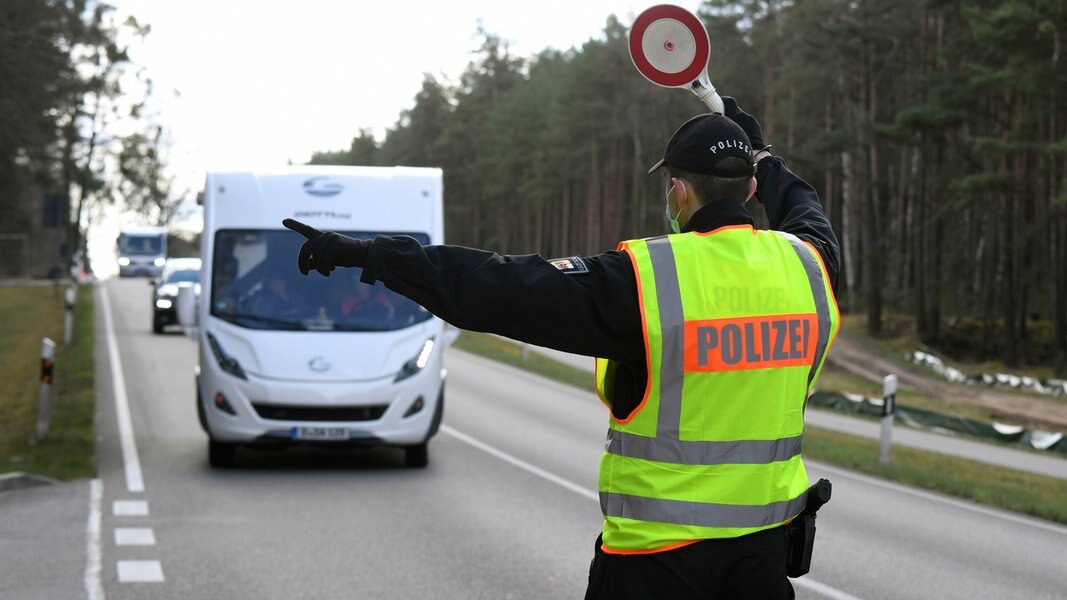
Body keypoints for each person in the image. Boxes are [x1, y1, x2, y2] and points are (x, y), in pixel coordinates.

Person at [283, 97, 840, 599]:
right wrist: (765, 159)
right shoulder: (807, 269)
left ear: (678, 189)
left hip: (655, 566)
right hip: (761, 563)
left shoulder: (645, 282)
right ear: (748, 190)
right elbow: (807, 214)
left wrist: (374, 256)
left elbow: (497, 286)